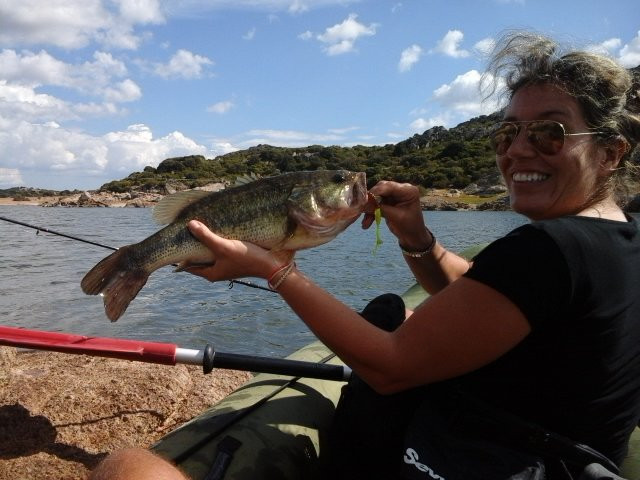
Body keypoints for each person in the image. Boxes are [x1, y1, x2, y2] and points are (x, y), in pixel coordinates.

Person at [89, 31, 640, 479]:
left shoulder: (551, 249)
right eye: (507, 134)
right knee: (384, 309)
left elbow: (389, 368)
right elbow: (491, 294)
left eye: (549, 133)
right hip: (519, 451)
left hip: (475, 462)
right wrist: (417, 240)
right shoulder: (614, 239)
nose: (519, 149)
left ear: (612, 152)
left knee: (126, 468)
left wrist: (272, 267)